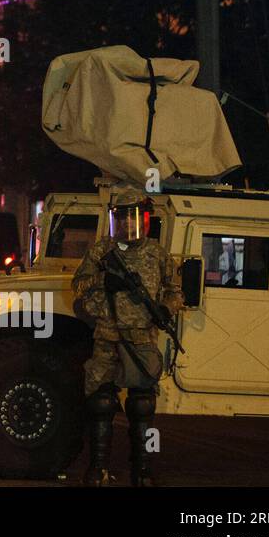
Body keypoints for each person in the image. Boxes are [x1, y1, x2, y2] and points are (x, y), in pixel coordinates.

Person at [72, 188, 184, 487]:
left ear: (144, 219)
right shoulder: (101, 251)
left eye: (132, 217)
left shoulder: (157, 254)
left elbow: (176, 292)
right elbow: (79, 286)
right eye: (120, 218)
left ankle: (143, 470)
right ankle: (97, 469)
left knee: (143, 406)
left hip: (142, 338)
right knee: (101, 403)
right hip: (107, 335)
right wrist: (102, 280)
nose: (126, 225)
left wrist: (164, 309)